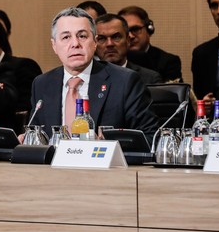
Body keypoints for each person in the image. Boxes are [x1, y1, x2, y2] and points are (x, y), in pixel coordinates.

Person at [29, 7, 159, 140]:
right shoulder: (42, 84)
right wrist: (30, 139)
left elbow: (149, 138)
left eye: (82, 36)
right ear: (54, 45)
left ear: (95, 42)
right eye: (66, 37)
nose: (75, 44)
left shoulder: (124, 82)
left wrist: (105, 145)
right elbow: (38, 134)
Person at [117, 6, 182, 82]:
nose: (130, 36)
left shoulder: (168, 62)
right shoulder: (115, 60)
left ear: (149, 30)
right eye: (126, 31)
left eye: (135, 29)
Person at [95, 13, 162, 85]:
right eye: (101, 39)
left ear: (128, 41)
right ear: (94, 44)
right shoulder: (85, 78)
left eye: (116, 37)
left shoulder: (150, 79)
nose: (109, 44)